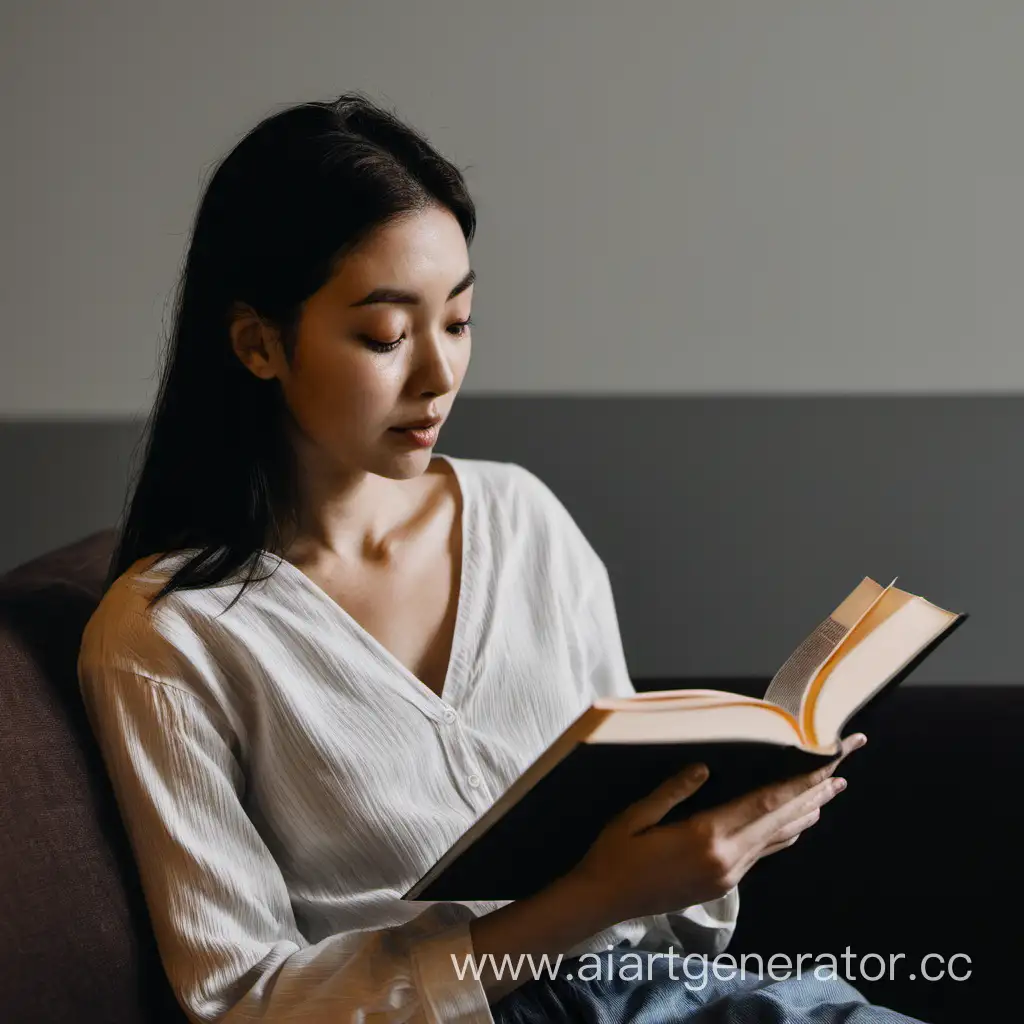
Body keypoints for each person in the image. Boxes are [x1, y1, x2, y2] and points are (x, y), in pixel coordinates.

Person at [77, 92, 919, 1024]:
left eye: (460, 321)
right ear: (257, 344)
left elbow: (655, 893)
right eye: (387, 335)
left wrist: (711, 843)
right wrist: (594, 897)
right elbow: (244, 1001)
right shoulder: (168, 636)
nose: (437, 376)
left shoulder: (522, 518)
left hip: (672, 997)